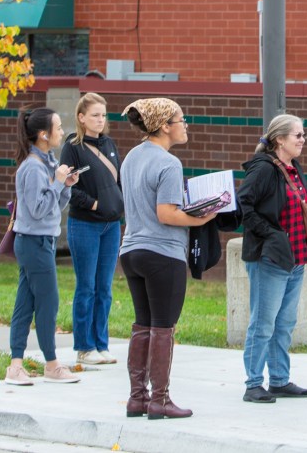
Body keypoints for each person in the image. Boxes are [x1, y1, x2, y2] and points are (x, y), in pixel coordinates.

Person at [119, 98, 217, 419]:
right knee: (164, 327)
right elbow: (166, 214)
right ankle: (160, 399)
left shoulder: (132, 157)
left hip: (131, 250)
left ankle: (137, 398)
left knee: (142, 325)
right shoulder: (169, 163)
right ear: (165, 126)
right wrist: (201, 218)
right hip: (163, 252)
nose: (185, 124)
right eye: (181, 119)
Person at [238, 113, 307, 403]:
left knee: (285, 323)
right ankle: (254, 383)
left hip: (297, 258)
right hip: (271, 258)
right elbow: (244, 205)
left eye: (303, 135)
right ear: (280, 139)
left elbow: (296, 205)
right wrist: (271, 234)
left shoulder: (293, 167)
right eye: (298, 135)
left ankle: (279, 380)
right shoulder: (264, 169)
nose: (303, 140)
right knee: (263, 323)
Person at [5, 107, 81, 386]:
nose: (62, 132)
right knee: (48, 302)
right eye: (58, 127)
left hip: (40, 240)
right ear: (43, 134)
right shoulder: (34, 168)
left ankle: (15, 366)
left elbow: (54, 208)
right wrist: (58, 182)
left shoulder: (47, 164)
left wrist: (66, 185)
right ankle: (51, 364)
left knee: (25, 303)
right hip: (34, 242)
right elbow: (38, 210)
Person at [60, 92, 124, 366]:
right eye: (95, 115)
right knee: (86, 286)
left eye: (103, 115)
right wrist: (95, 204)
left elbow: (117, 181)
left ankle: (101, 343)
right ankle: (84, 347)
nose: (100, 120)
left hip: (111, 227)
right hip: (84, 224)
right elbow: (68, 187)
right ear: (81, 117)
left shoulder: (109, 144)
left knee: (104, 288)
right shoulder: (72, 147)